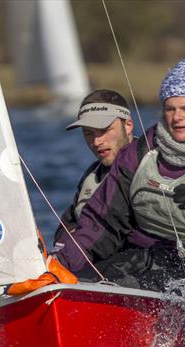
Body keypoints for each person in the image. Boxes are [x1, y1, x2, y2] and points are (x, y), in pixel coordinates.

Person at [52, 58, 185, 299]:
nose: (177, 117)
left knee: (132, 277)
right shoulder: (139, 154)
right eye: (170, 108)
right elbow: (101, 223)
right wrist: (57, 269)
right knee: (75, 283)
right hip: (134, 261)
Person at [53, 90, 135, 251]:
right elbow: (65, 230)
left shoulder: (149, 167)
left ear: (128, 125)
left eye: (104, 130)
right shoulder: (92, 174)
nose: (96, 141)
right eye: (88, 133)